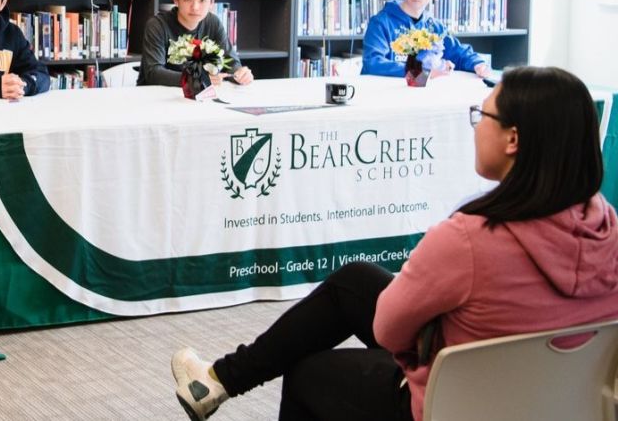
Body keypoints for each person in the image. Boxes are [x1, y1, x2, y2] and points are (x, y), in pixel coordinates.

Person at [170, 66, 618, 421]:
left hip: (456, 405)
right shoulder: (606, 225)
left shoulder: (468, 238)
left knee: (309, 370)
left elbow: (388, 331)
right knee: (355, 282)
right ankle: (218, 381)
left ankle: (222, 381)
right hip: (556, 401)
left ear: (514, 140)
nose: (476, 126)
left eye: (483, 116)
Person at [361, 0, 489, 77]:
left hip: (424, 96)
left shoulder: (435, 26)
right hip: (385, 95)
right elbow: (373, 63)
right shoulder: (380, 23)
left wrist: (477, 64)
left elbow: (459, 53)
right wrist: (420, 72)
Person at [138, 0, 252, 87]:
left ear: (212, 2)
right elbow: (154, 74)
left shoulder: (213, 23)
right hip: (157, 98)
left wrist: (239, 73)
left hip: (198, 96)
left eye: (202, 0)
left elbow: (231, 62)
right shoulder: (158, 25)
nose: (195, 7)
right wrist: (197, 79)